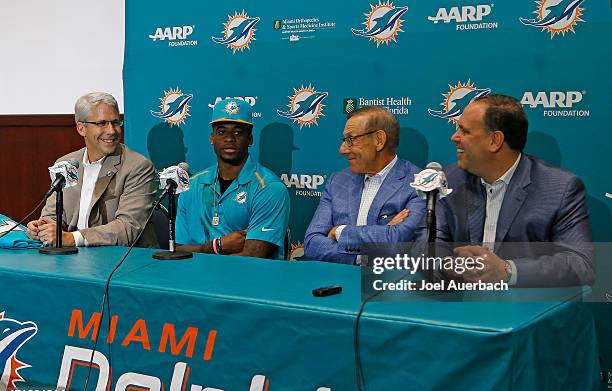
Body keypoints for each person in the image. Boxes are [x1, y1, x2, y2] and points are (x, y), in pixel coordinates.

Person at [429, 94, 594, 287]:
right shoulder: (449, 180)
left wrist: (507, 271)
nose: (454, 137)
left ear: (495, 141)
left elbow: (581, 264)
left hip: (527, 309)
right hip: (460, 308)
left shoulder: (560, 188)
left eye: (464, 131)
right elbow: (426, 240)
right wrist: (448, 265)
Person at [26, 92, 158, 247]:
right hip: (73, 259)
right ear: (81, 129)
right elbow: (52, 216)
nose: (111, 131)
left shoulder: (138, 167)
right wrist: (42, 228)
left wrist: (72, 238)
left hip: (124, 261)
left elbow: (127, 228)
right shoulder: (65, 164)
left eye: (115, 122)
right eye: (102, 123)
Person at [304, 106, 426, 265]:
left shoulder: (418, 184)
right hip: (336, 282)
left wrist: (339, 232)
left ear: (379, 140)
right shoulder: (338, 181)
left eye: (350, 140)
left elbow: (398, 241)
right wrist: (366, 254)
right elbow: (312, 243)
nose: (342, 150)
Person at [176, 98, 290, 259]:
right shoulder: (192, 185)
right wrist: (216, 246)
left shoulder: (269, 188)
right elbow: (178, 249)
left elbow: (253, 255)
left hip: (247, 281)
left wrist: (199, 250)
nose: (229, 138)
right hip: (193, 278)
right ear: (211, 138)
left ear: (250, 140)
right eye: (221, 132)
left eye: (238, 132)